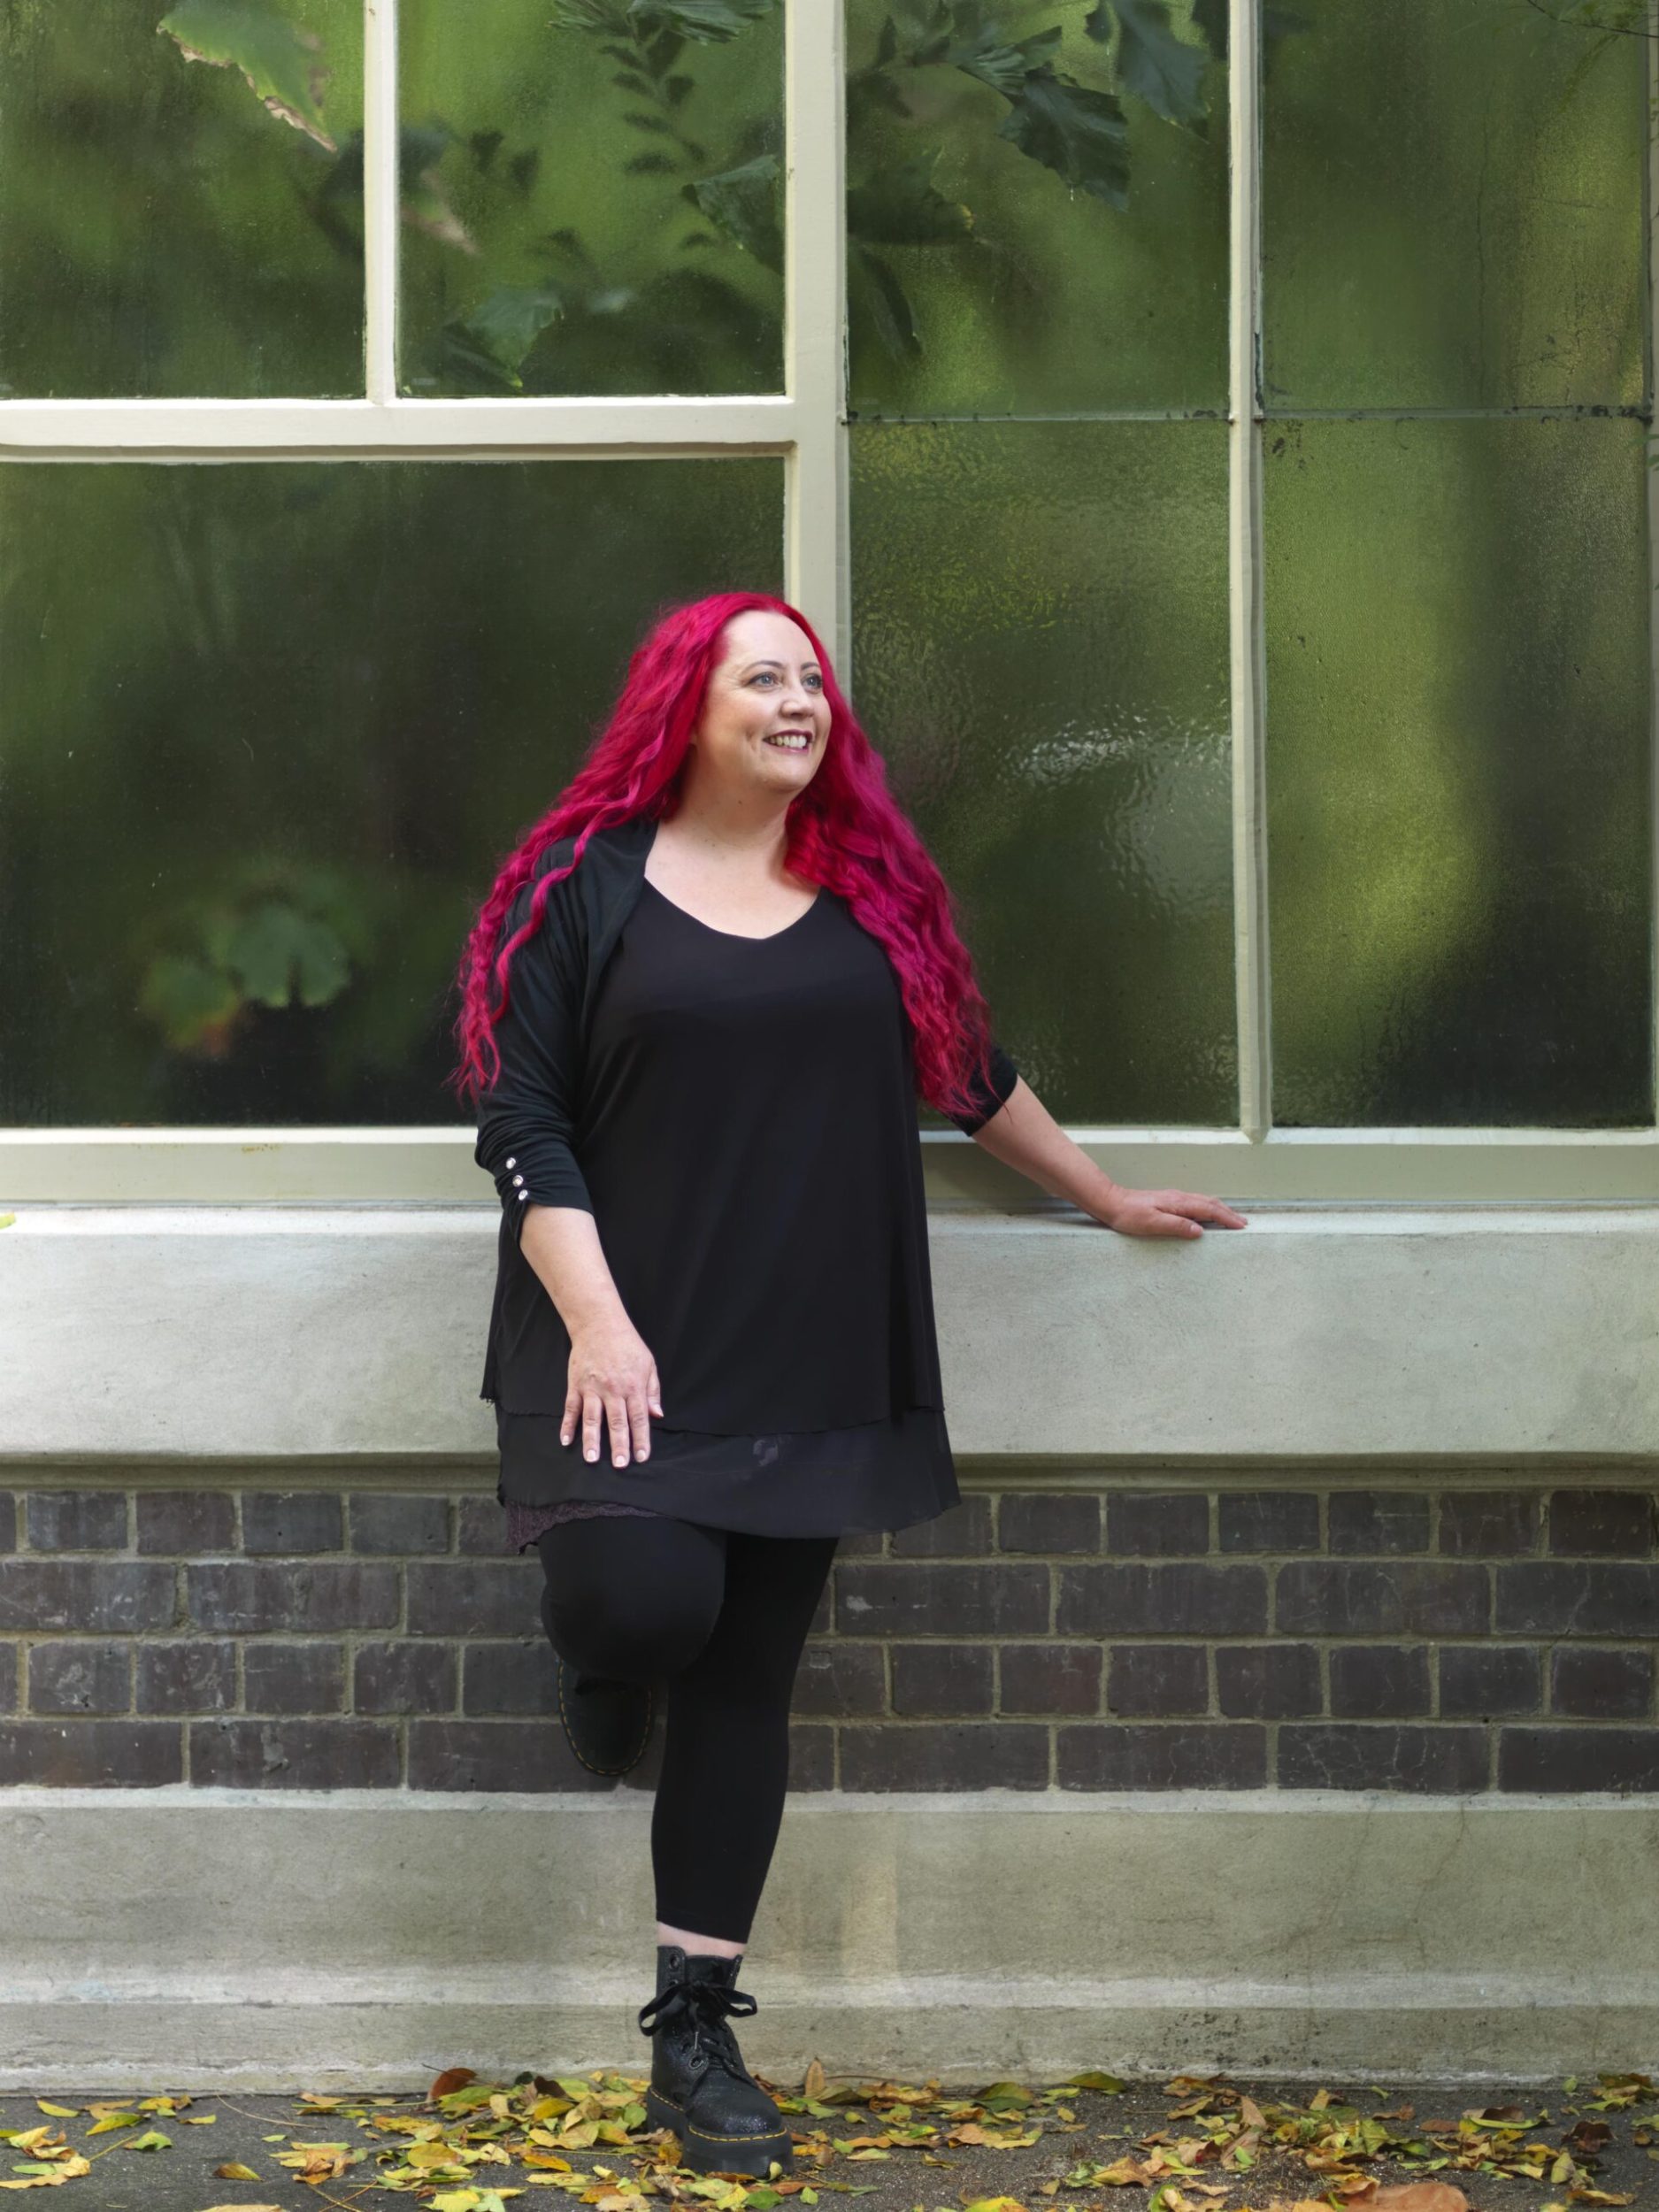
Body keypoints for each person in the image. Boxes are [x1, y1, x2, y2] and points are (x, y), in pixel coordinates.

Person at [449, 590, 1247, 2179]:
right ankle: (594, 1656)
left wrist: (1102, 1197)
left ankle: (693, 2028)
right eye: (765, 678)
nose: (800, 700)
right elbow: (520, 1123)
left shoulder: (870, 891)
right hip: (619, 1335)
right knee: (642, 1610)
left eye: (812, 678)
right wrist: (600, 1327)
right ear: (685, 705)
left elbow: (966, 1067)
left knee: (746, 1676)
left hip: (811, 1342)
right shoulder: (576, 887)